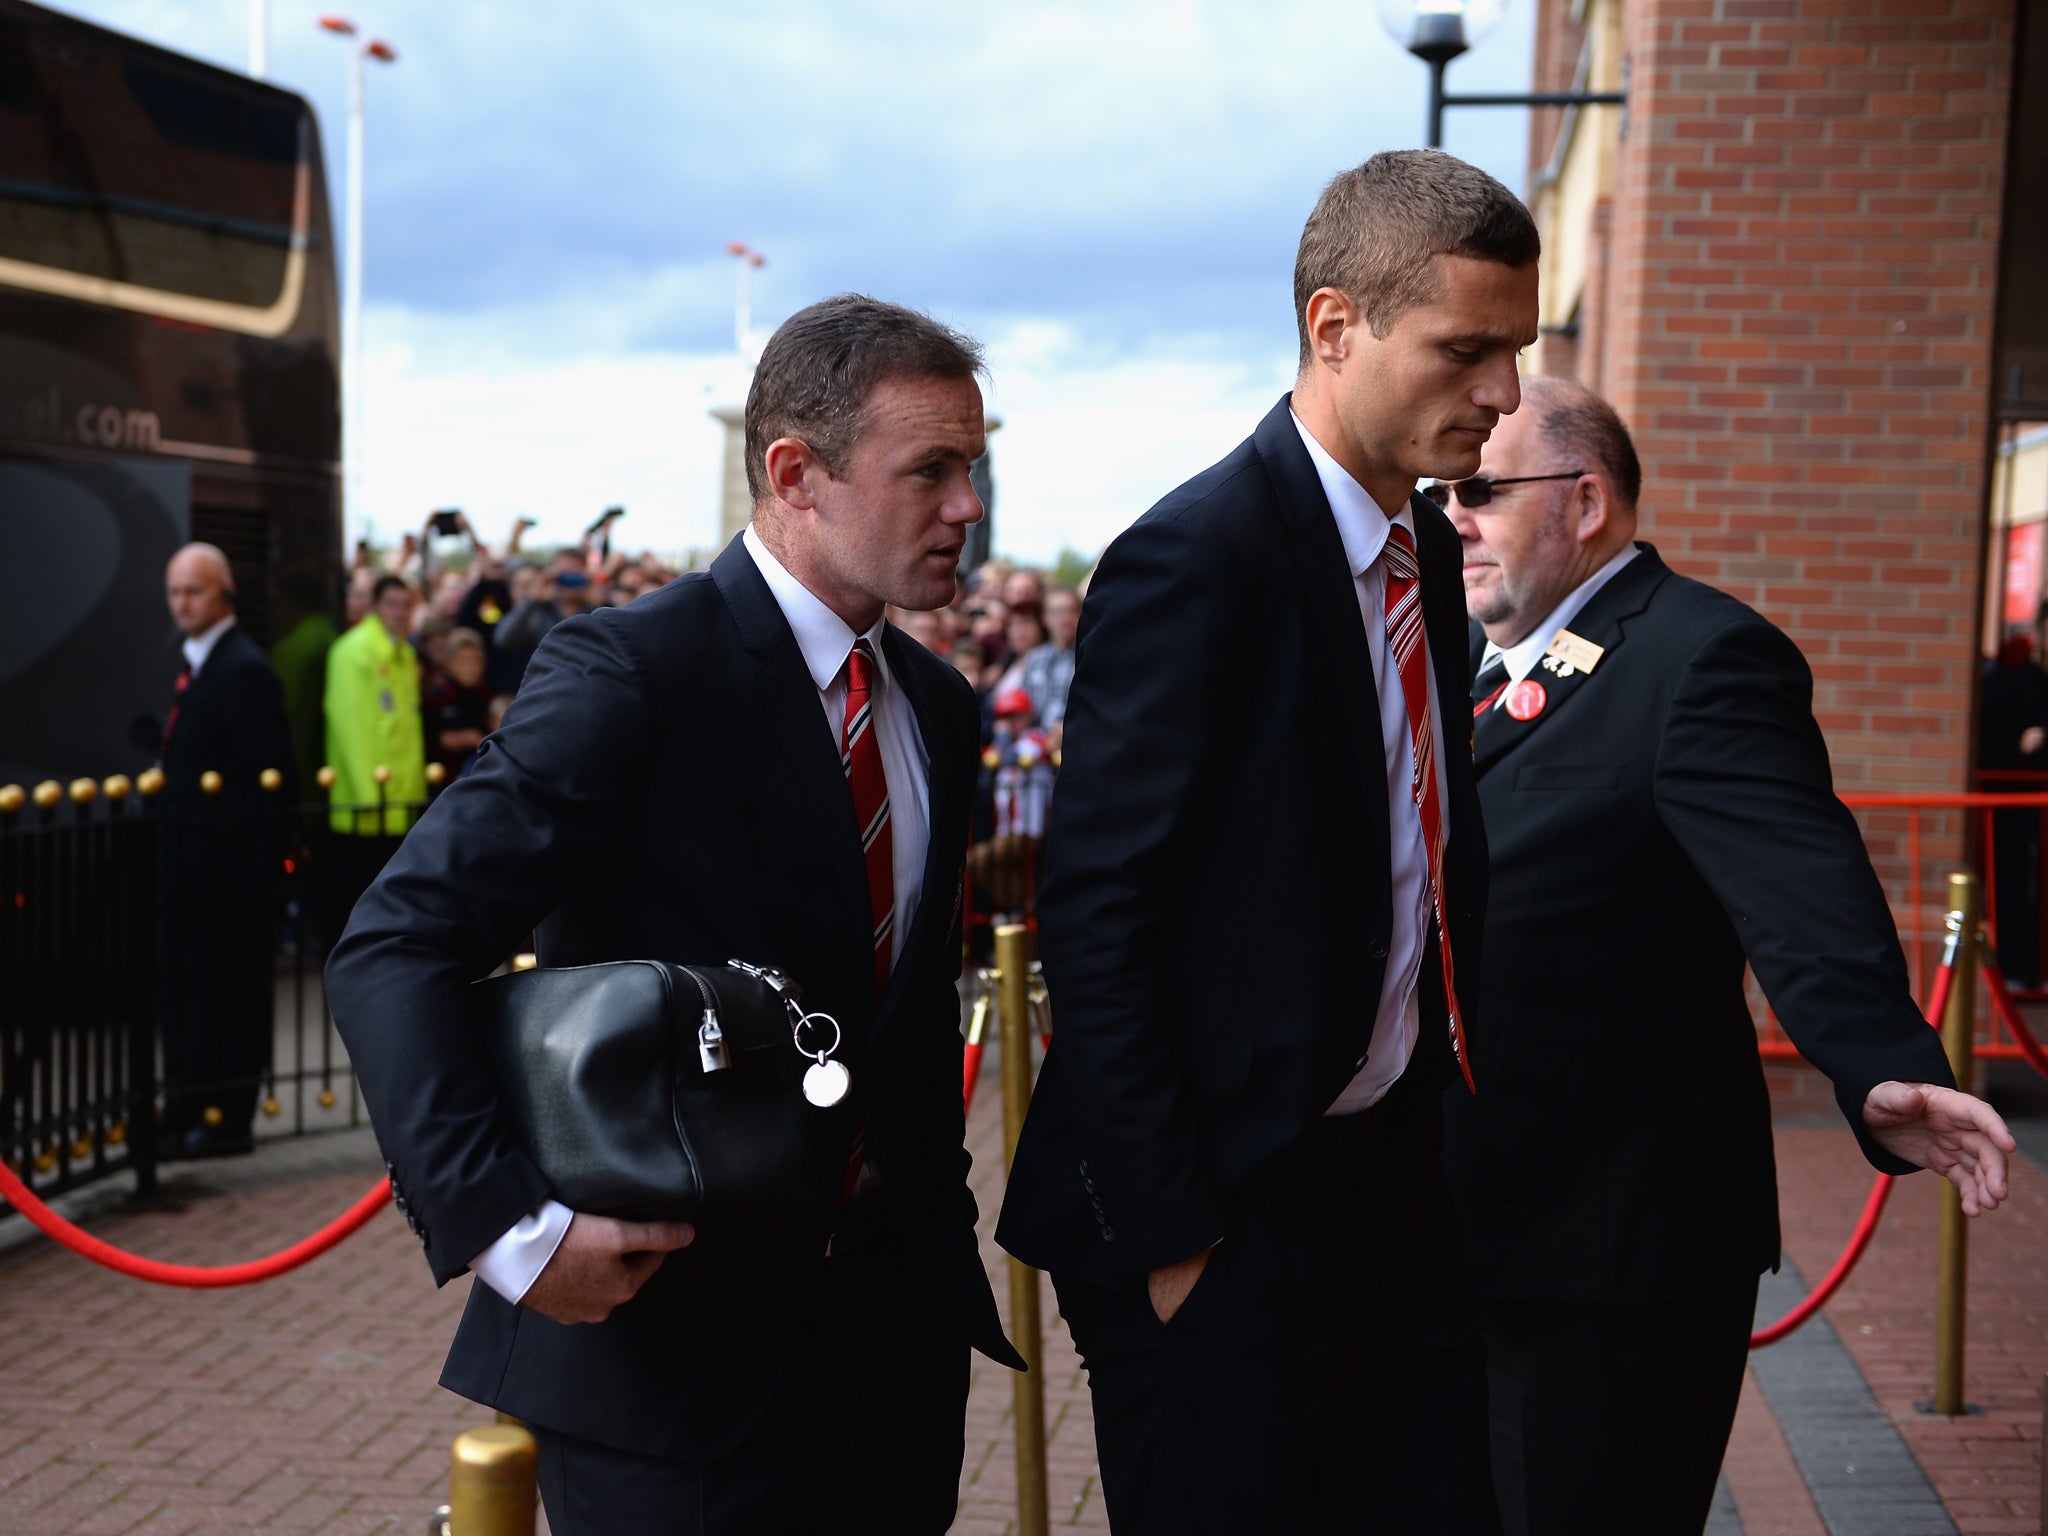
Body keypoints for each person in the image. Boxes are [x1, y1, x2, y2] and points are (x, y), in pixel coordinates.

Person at [324, 294, 1021, 1535]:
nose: (967, 505)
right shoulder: (633, 673)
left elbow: (896, 1018)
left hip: (894, 1355)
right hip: (669, 1370)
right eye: (931, 469)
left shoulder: (934, 706)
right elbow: (396, 944)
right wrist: (509, 1230)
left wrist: (933, 1236)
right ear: (793, 474)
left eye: (972, 467)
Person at [997, 149, 1538, 1535]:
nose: (1505, 396)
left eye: (1518, 353)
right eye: (1467, 350)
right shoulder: (1199, 558)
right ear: (1335, 326)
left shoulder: (1424, 549)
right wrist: (1179, 1236)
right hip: (1226, 1212)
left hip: (1396, 1194)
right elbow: (1101, 915)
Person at [1438, 375, 2016, 1536]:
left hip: (1611, 1251)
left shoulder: (1697, 658)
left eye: (1478, 490)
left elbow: (1800, 893)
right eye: (1440, 489)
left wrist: (1877, 1062)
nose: (1450, 515)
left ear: (1584, 499)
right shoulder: (1459, 661)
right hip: (1465, 1225)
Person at [155, 543, 296, 1156]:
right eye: (175, 592)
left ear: (225, 593)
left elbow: (267, 781)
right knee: (196, 991)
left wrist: (248, 873)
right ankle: (191, 1105)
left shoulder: (243, 669)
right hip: (193, 871)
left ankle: (224, 1116)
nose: (182, 604)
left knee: (230, 993)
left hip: (227, 876)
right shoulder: (202, 663)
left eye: (194, 591)